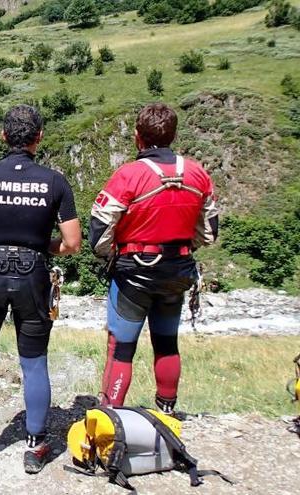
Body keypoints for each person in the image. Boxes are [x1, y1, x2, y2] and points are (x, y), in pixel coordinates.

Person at [0, 104, 81, 472]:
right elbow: (72, 242)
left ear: (4, 136)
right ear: (38, 138)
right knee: (34, 362)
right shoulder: (54, 181)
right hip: (33, 274)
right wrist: (44, 247)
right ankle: (35, 446)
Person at [89, 103, 218, 415]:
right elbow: (209, 231)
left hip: (134, 270)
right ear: (173, 135)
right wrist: (185, 246)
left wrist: (114, 253)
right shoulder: (198, 174)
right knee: (166, 342)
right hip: (178, 269)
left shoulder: (128, 175)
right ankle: (167, 412)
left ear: (137, 137)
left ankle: (112, 416)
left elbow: (99, 229)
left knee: (121, 348)